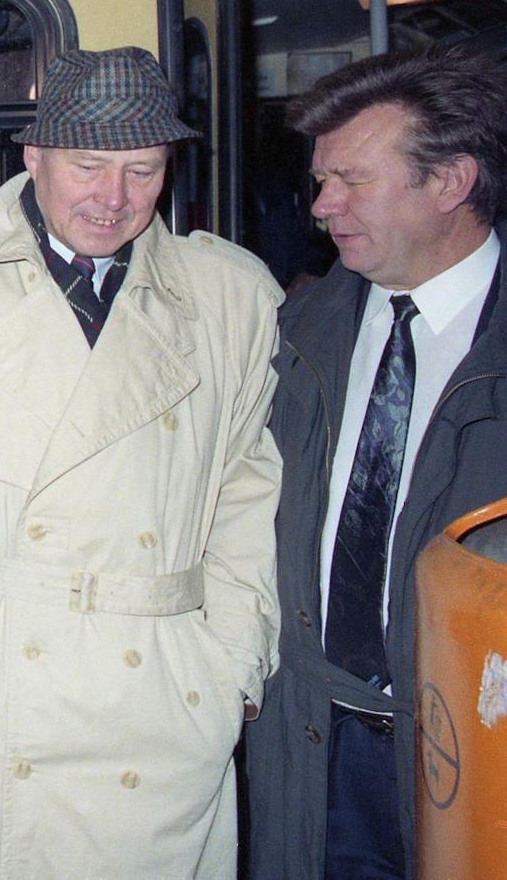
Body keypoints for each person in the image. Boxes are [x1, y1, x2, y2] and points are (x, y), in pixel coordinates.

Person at [0, 46, 282, 878]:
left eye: (143, 168)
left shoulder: (229, 294)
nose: (113, 197)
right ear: (33, 155)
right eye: (88, 164)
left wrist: (235, 662)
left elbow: (248, 489)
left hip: (162, 698)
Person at [245, 43, 507, 880]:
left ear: (451, 180)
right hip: (313, 746)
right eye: (322, 180)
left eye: (352, 179)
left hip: (478, 750)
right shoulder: (297, 330)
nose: (324, 206)